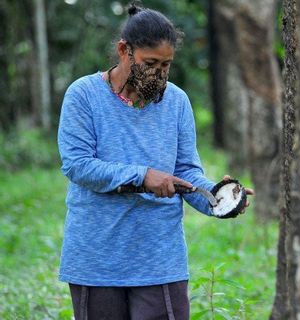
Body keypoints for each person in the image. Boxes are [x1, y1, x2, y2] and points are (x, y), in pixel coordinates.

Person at [57, 3, 253, 319]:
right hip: (96, 254)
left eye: (166, 65)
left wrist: (217, 197)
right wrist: (143, 176)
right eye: (151, 63)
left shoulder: (176, 101)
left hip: (159, 256)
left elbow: (186, 171)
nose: (159, 73)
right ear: (124, 51)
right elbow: (78, 164)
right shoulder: (83, 95)